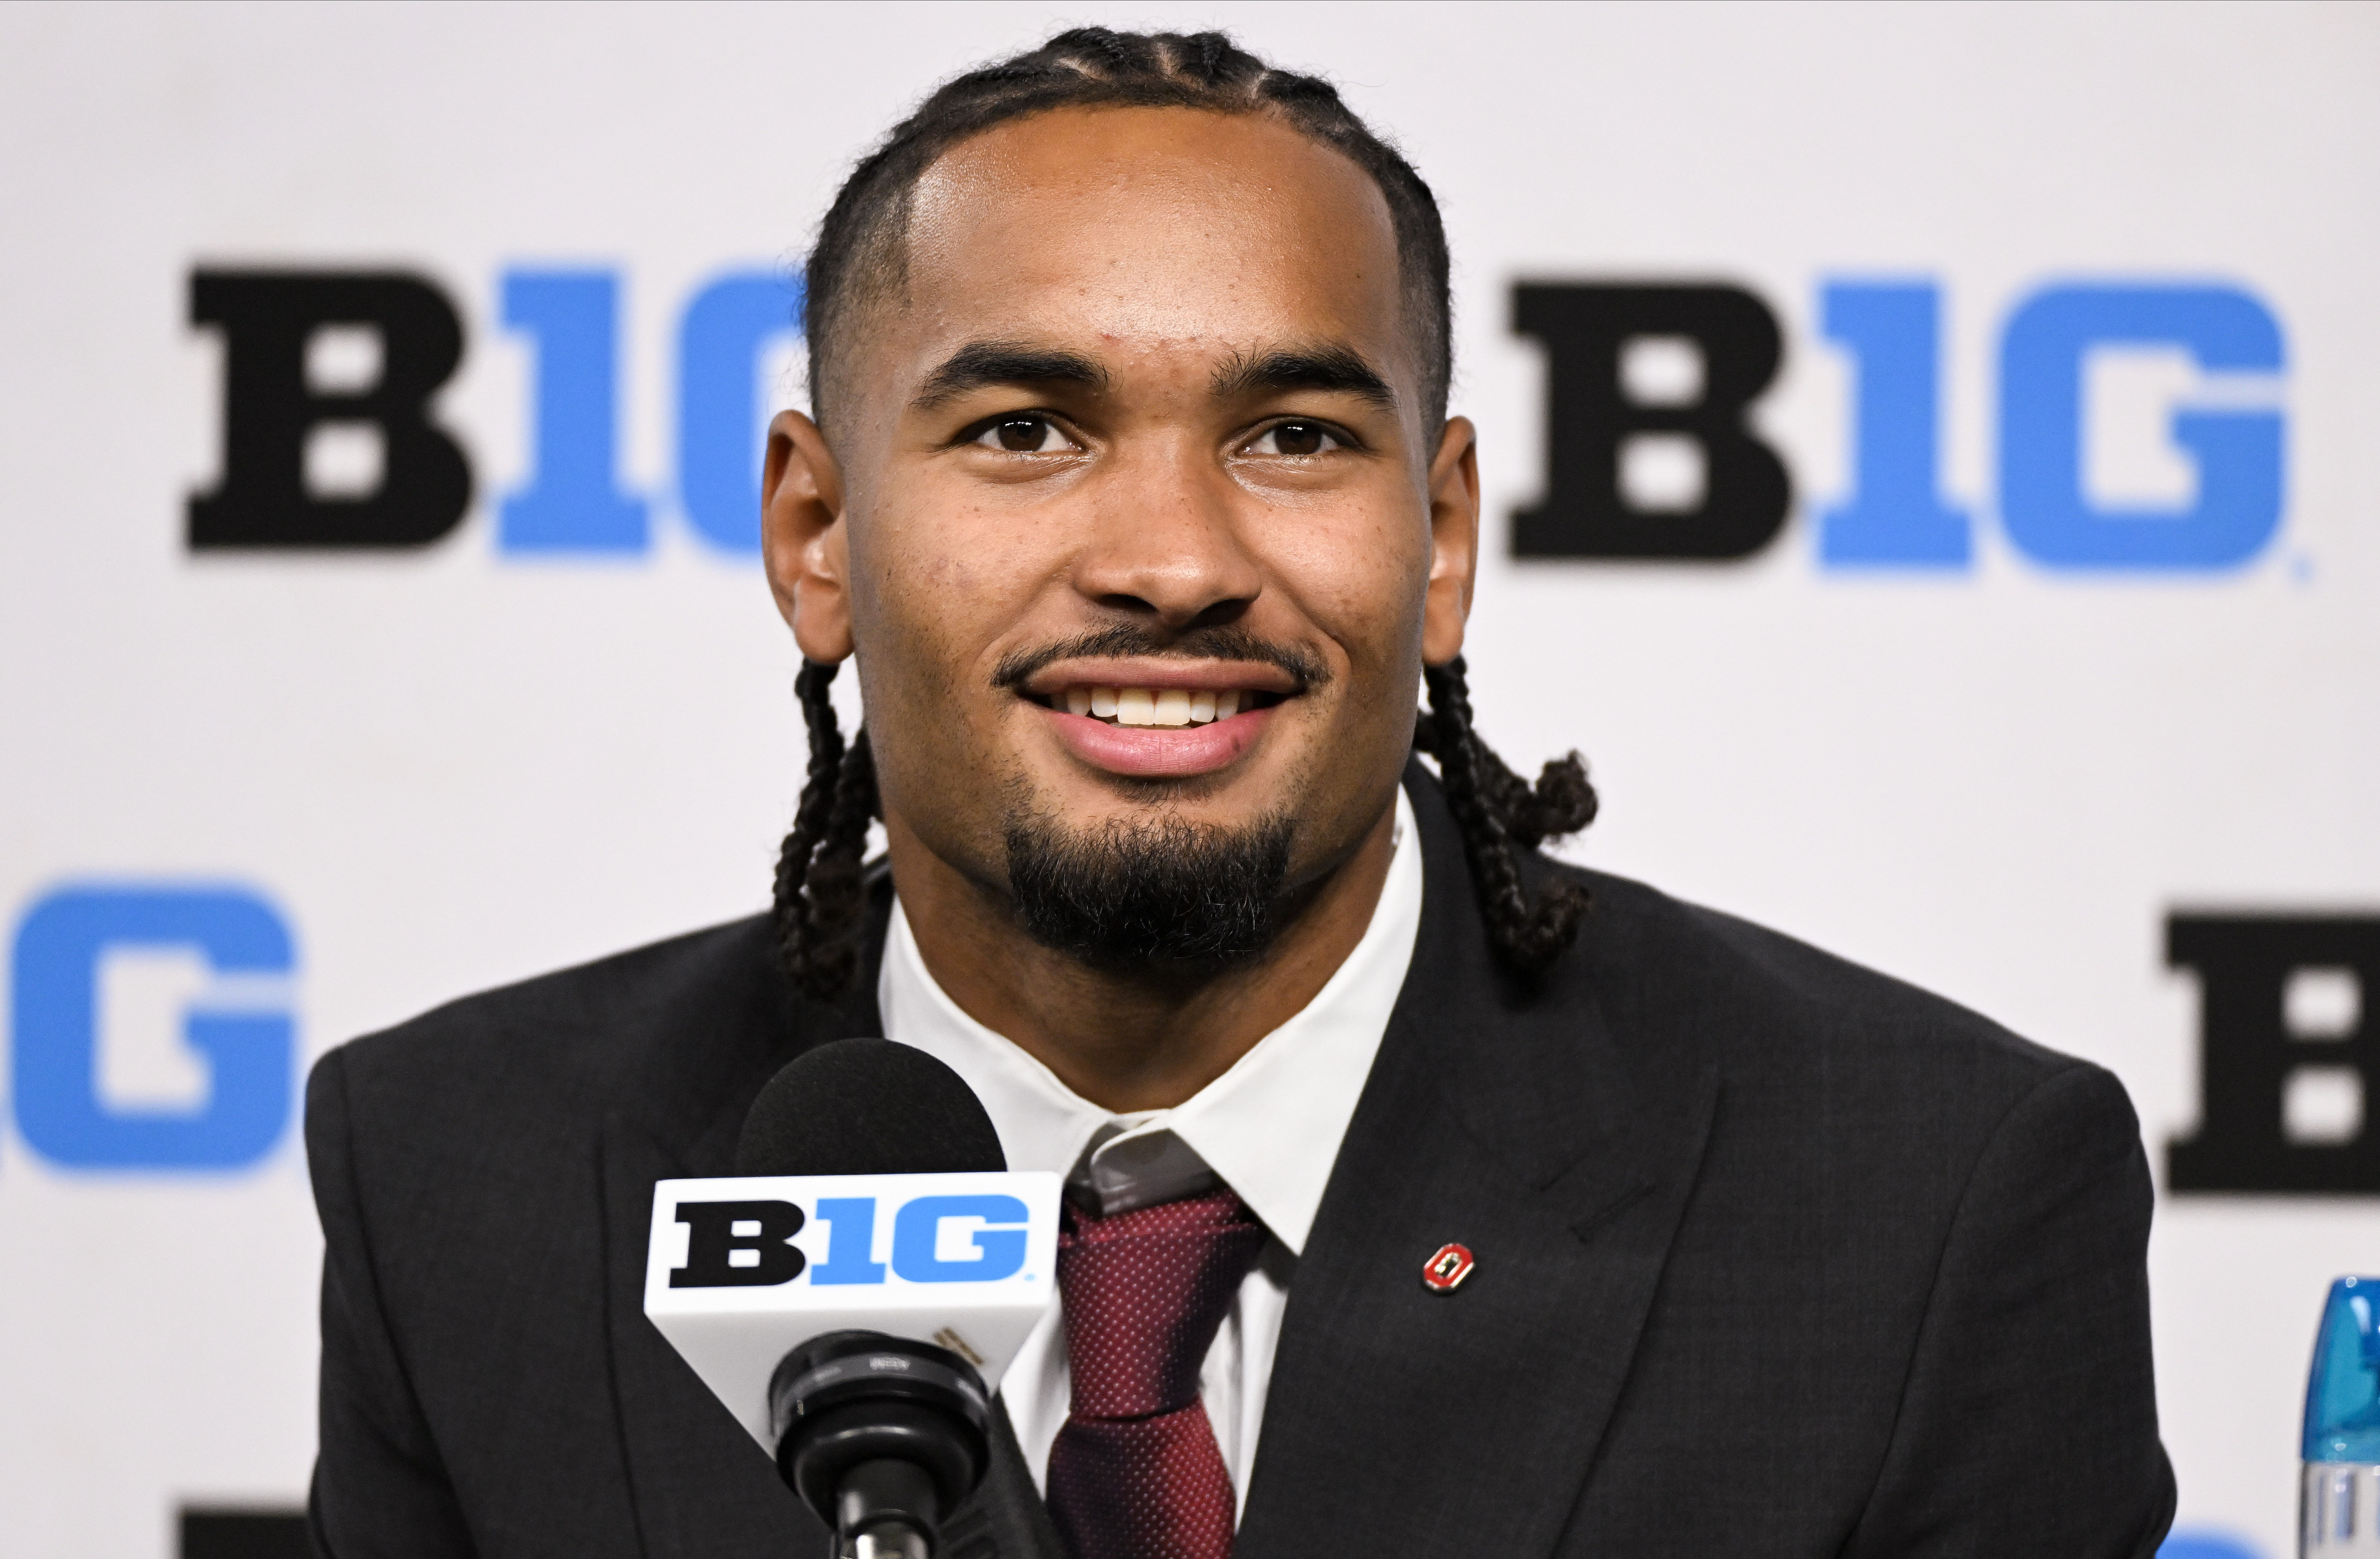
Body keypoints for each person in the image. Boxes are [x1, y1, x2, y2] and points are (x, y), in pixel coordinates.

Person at [305, 26, 2175, 1559]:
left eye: (1292, 437)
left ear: (1439, 537)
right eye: (1025, 432)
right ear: (816, 529)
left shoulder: (1925, 1200)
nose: (1176, 559)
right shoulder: (469, 1179)